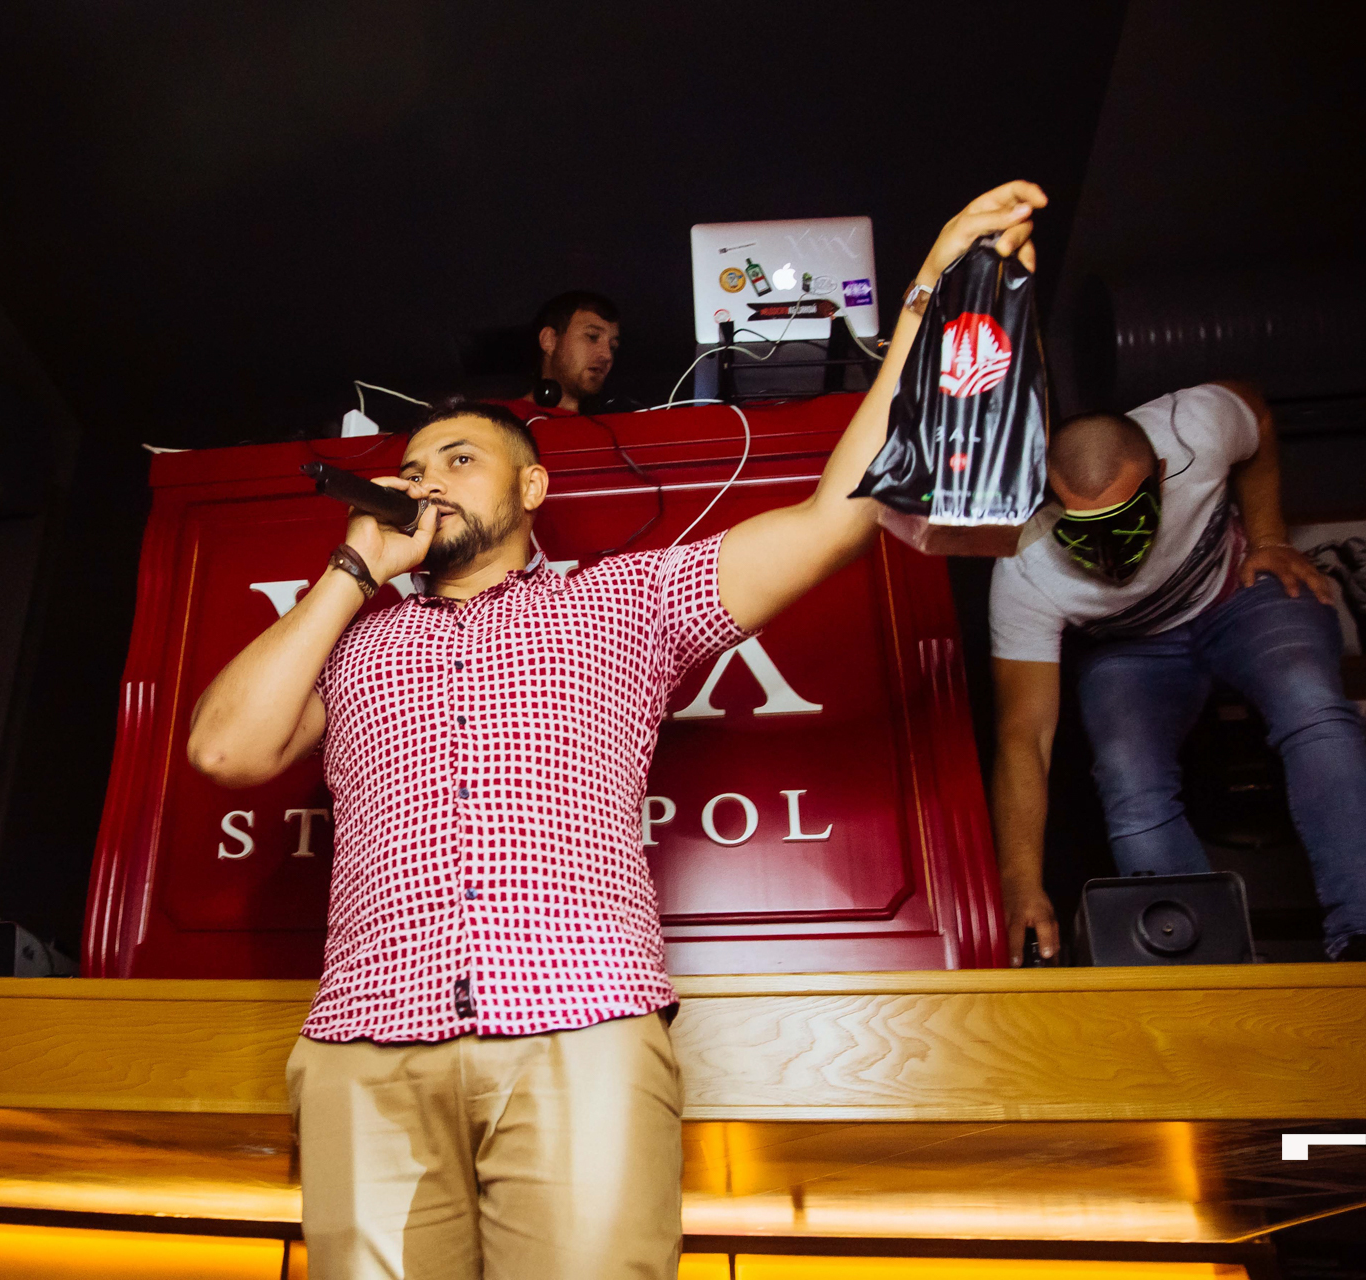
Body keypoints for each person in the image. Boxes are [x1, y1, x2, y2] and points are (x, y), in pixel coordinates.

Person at [187, 182, 1046, 1279]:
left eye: (459, 460)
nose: (427, 482)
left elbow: (836, 517)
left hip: (578, 1026)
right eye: (413, 468)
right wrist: (352, 569)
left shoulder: (624, 601)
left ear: (533, 484)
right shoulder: (351, 637)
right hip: (365, 1045)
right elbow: (224, 750)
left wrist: (926, 294)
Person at [989, 381, 1366, 966]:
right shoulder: (1024, 564)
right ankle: (1202, 967)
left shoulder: (1193, 427)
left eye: (1122, 522)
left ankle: (1361, 929)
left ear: (1161, 474)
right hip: (1132, 648)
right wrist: (1019, 883)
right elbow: (1025, 736)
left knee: (1312, 706)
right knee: (1127, 771)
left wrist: (1268, 535)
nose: (1109, 552)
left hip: (1239, 594)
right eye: (1084, 531)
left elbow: (1258, 416)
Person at [497, 290, 620, 420]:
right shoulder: (497, 419)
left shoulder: (616, 424)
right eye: (592, 337)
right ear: (549, 340)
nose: (607, 355)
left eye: (613, 347)